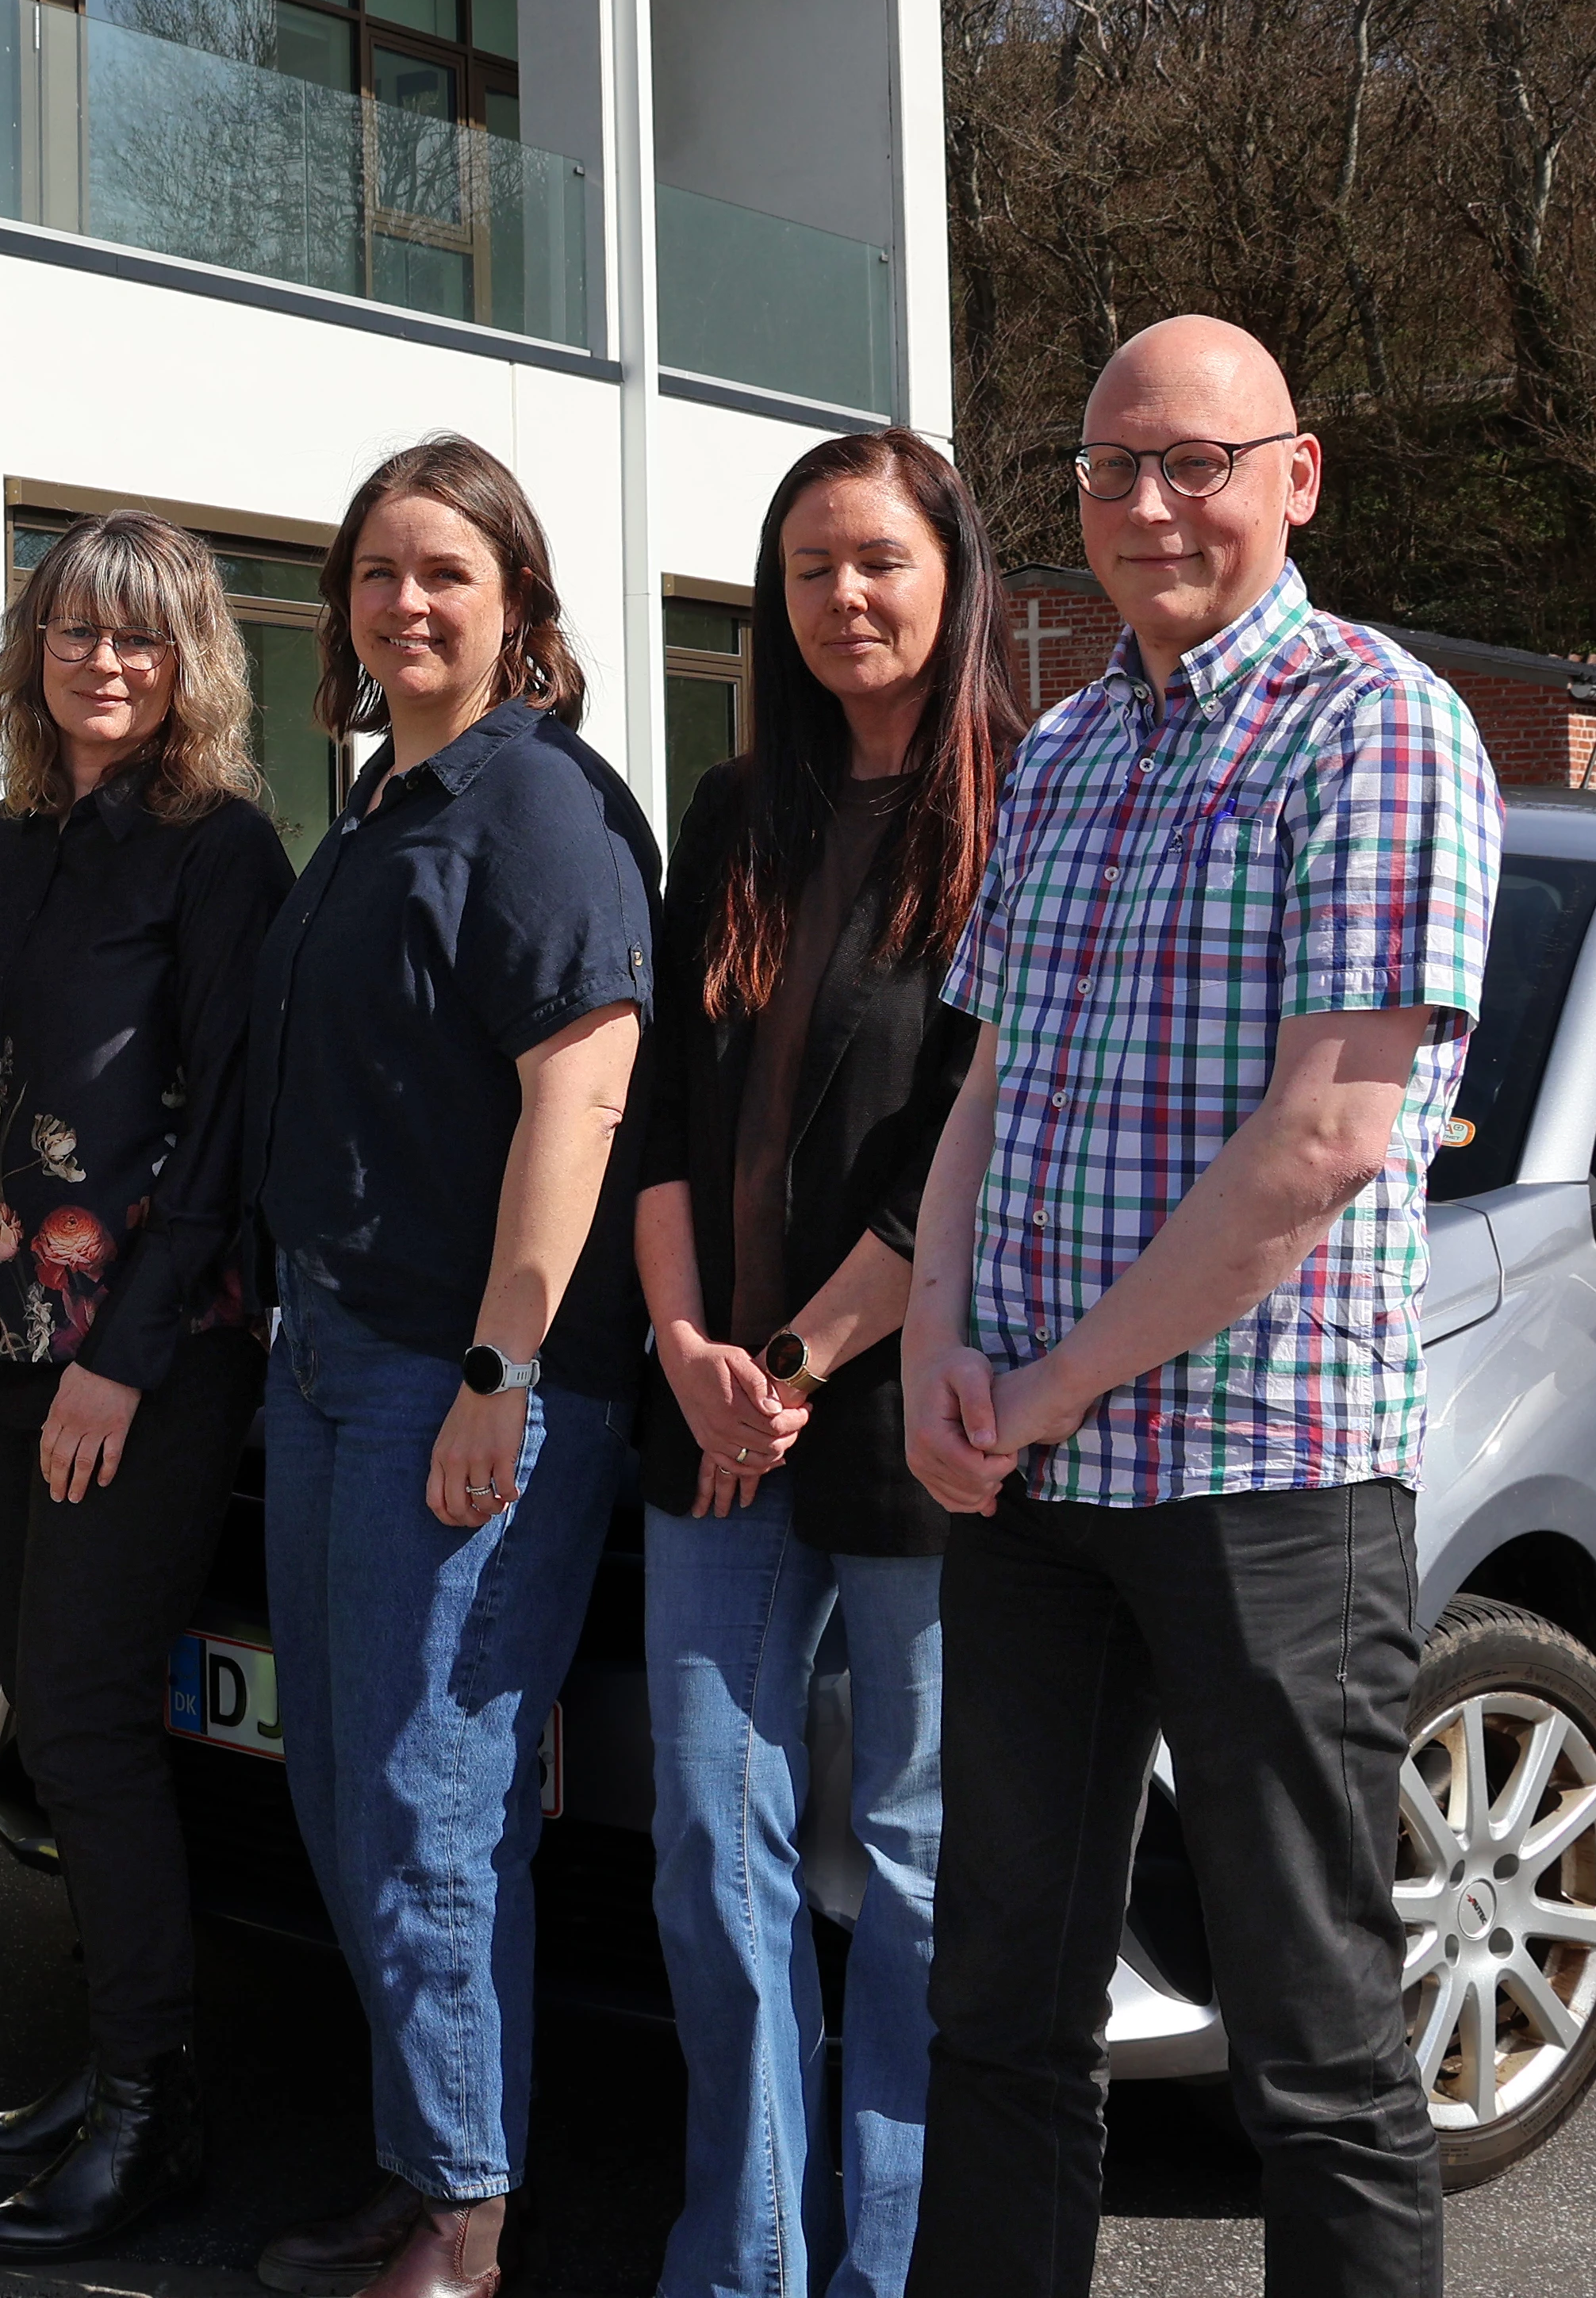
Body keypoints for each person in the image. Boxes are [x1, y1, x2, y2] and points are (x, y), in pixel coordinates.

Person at [898, 317, 1499, 2298]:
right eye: (1103, 470)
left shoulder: (1375, 726)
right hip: (1026, 1476)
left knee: (1314, 2042)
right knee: (995, 2001)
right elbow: (987, 1078)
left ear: (1294, 474)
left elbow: (1321, 1137)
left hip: (1263, 1472)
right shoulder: (1065, 743)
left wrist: (1045, 1378)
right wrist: (927, 1355)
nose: (1144, 507)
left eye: (1194, 462)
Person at [242, 435, 664, 2298]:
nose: (404, 604)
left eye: (444, 573)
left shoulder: (539, 808)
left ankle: (467, 2217)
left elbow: (577, 1099)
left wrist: (499, 1366)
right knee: (344, 1780)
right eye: (376, 574)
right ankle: (423, 2157)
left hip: (461, 1371)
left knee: (432, 1799)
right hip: (327, 1353)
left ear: (517, 603)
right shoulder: (375, 802)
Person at [633, 432, 1014, 2298]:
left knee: (918, 1872)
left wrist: (778, 1362)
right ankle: (748, 2258)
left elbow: (965, 1137)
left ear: (950, 577)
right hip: (708, 1415)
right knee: (709, 1844)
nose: (842, 599)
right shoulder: (731, 814)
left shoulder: (1017, 811)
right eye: (806, 571)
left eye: (876, 561)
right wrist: (687, 1342)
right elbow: (653, 1118)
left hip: (901, 1422)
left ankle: (889, 2264)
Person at [0, 512, 293, 2261]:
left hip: (136, 1360)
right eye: (73, 628)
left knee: (81, 1717)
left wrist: (117, 1362)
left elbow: (221, 1136)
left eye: (139, 636)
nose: (103, 661)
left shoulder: (221, 852)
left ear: (190, 654)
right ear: (34, 644)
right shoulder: (0, 841)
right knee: (39, 1717)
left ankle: (157, 2108)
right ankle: (107, 2051)